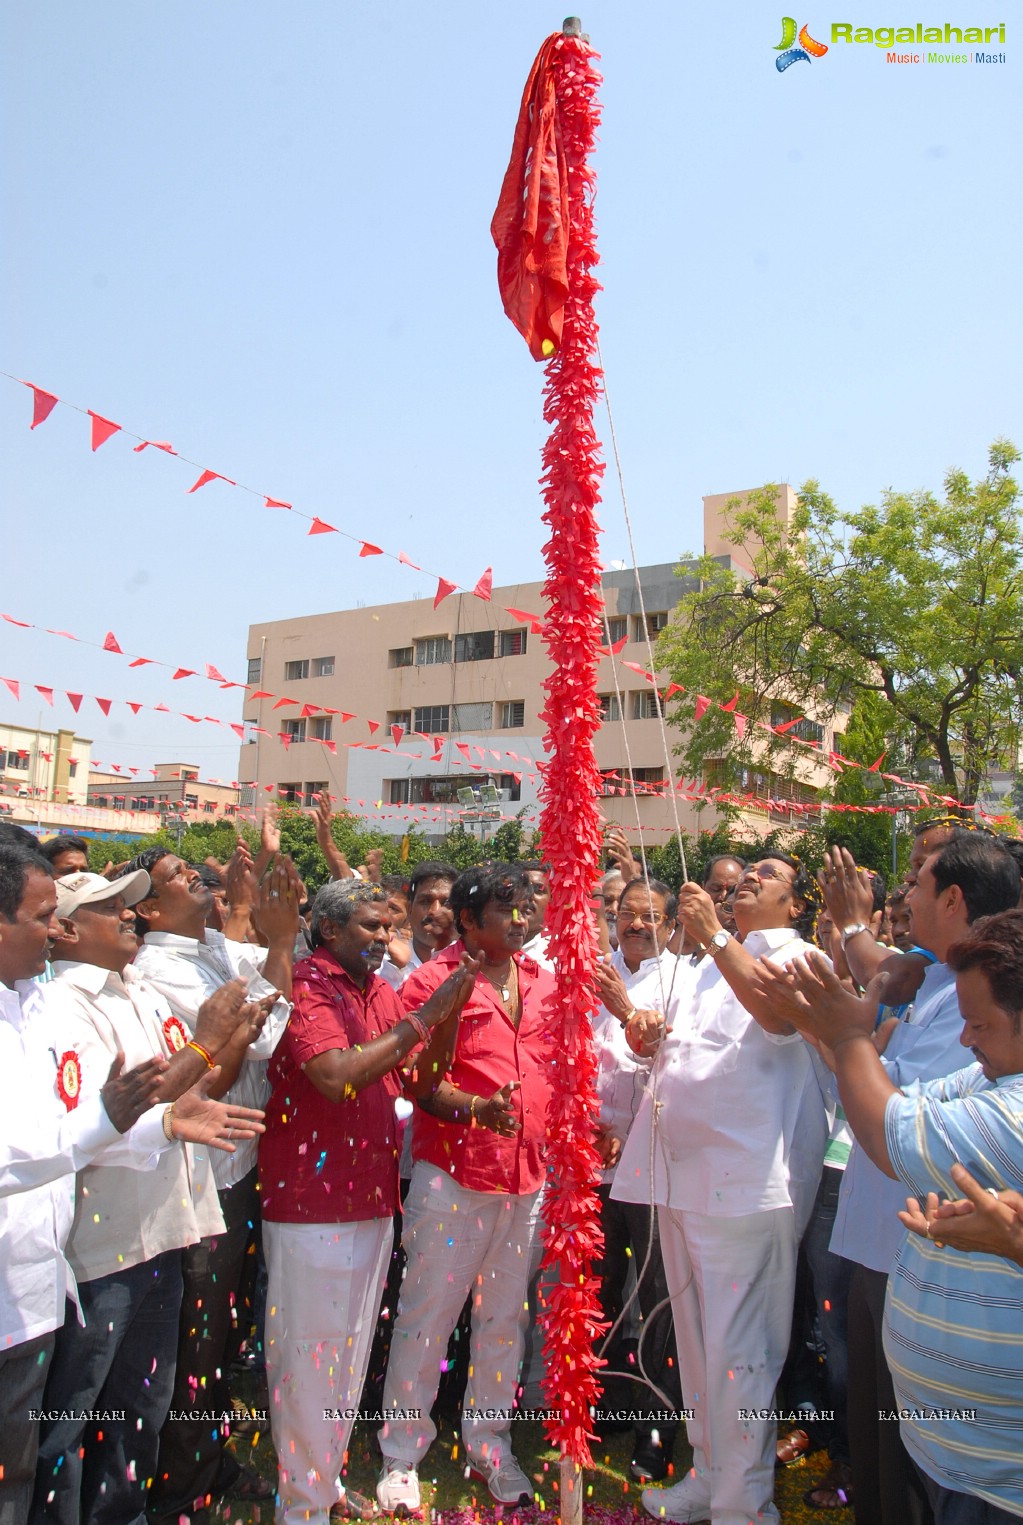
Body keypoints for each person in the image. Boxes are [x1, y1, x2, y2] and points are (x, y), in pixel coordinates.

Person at [767, 910, 1023, 1522]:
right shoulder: (991, 1077)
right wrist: (838, 1035)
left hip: (997, 1480)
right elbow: (899, 1100)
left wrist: (850, 1037)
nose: (966, 1041)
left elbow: (887, 1129)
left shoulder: (1013, 1113)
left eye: (979, 1025)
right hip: (953, 1452)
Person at [29, 871, 267, 1525]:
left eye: (129, 905)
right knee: (75, 1417)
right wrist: (205, 1043)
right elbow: (104, 1125)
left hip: (163, 1230)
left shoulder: (136, 989)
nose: (129, 915)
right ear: (68, 928)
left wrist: (226, 1039)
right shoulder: (62, 1006)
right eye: (110, 908)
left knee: (140, 1409)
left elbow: (185, 1086)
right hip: (100, 1248)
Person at [617, 853, 829, 1525]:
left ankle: (745, 1505)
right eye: (746, 870)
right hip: (684, 1177)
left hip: (745, 1187)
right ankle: (709, 1475)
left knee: (741, 1355)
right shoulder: (711, 962)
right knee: (700, 1345)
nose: (749, 877)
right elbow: (682, 1050)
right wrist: (643, 1031)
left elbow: (777, 1017)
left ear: (796, 905)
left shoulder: (799, 956)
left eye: (768, 872)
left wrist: (711, 933)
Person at [260, 879, 477, 1525]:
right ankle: (300, 1506)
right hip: (311, 1202)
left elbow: (414, 1076)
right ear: (328, 930)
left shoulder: (374, 988)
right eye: (370, 927)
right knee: (307, 1359)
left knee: (348, 1354)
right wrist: (427, 1016)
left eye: (388, 927)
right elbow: (335, 1075)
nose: (385, 939)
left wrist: (448, 1018)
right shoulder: (308, 983)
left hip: (369, 1196)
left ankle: (319, 1485)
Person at [121, 846, 299, 1523]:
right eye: (176, 874)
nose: (197, 875)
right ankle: (177, 1486)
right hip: (198, 1181)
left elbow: (268, 992)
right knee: (197, 1338)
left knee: (222, 1331)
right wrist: (279, 939)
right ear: (146, 905)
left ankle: (206, 1459)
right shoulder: (160, 967)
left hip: (236, 1168)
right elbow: (258, 1038)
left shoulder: (217, 949)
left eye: (196, 867)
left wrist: (259, 921)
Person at [376, 864, 555, 1511]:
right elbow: (418, 1084)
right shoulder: (431, 982)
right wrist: (479, 1109)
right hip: (454, 1175)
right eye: (505, 909)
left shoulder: (542, 980)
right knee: (426, 1318)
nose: (521, 916)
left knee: (504, 1319)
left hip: (526, 1178)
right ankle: (401, 1454)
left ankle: (488, 1443)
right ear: (469, 922)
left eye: (525, 905)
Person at [591, 876, 690, 1483]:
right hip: (591, 1160)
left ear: (670, 923)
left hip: (654, 1163)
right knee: (593, 1291)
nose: (635, 924)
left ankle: (656, 1428)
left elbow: (671, 1058)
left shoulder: (688, 979)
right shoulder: (592, 969)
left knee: (657, 1298)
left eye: (649, 916)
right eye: (626, 912)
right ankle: (594, 1408)